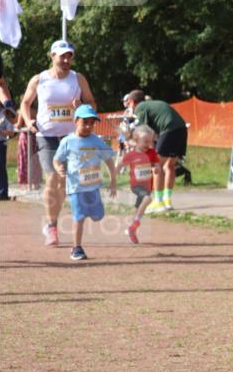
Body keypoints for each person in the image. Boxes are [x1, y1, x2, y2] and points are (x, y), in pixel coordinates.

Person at [19, 40, 97, 245]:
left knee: (63, 183)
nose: (66, 59)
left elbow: (92, 103)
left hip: (72, 137)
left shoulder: (78, 79)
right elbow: (25, 103)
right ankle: (52, 226)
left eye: (69, 55)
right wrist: (28, 121)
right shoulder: (39, 79)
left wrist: (81, 107)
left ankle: (53, 220)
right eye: (62, 55)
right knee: (53, 177)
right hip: (46, 136)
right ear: (52, 56)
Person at [52, 105, 117, 261]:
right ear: (75, 121)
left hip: (93, 186)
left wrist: (113, 181)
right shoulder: (68, 141)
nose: (88, 126)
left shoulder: (97, 141)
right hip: (75, 187)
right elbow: (56, 159)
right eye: (85, 122)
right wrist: (59, 168)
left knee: (98, 216)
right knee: (79, 217)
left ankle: (90, 212)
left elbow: (108, 160)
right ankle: (77, 248)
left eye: (91, 123)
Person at [122, 90, 187, 213]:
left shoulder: (140, 107)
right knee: (169, 165)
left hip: (169, 128)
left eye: (128, 102)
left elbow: (144, 132)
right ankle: (167, 201)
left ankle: (158, 202)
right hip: (181, 128)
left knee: (156, 166)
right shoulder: (150, 105)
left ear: (131, 101)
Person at [117, 124, 161, 244]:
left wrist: (156, 168)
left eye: (151, 142)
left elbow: (157, 164)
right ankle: (136, 222)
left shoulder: (152, 152)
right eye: (146, 141)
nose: (149, 144)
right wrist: (113, 179)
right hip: (136, 185)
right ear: (136, 140)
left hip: (148, 185)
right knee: (148, 199)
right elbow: (120, 164)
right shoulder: (132, 154)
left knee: (139, 209)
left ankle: (132, 229)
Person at [0, 76, 16, 200]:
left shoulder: (6, 113)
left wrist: (1, 131)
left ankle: (2, 193)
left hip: (1, 143)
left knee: (0, 167)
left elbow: (11, 133)